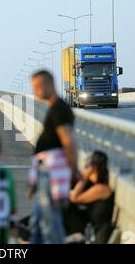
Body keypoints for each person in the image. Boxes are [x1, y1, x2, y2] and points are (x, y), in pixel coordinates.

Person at [28, 70, 80, 244]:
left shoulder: (58, 108)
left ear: (48, 84)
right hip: (45, 170)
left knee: (50, 221)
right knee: (37, 221)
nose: (35, 91)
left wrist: (74, 170)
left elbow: (69, 142)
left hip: (50, 171)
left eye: (37, 86)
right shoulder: (57, 107)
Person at [69, 151, 114, 244]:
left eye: (90, 168)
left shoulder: (101, 189)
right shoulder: (96, 186)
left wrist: (85, 177)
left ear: (95, 169)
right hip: (91, 230)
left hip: (98, 233)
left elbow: (74, 198)